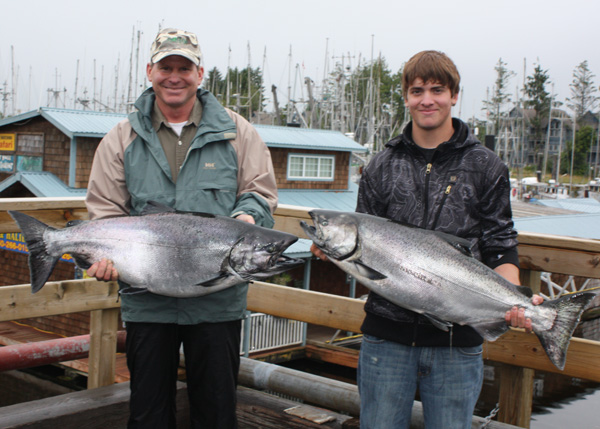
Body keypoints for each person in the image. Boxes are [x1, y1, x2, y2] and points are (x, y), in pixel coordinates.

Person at [311, 50, 541, 428]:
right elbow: (362, 246)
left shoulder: (487, 166)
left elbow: (500, 242)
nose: (427, 99)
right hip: (386, 340)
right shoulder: (380, 166)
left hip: (458, 341)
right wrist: (331, 250)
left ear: (454, 95)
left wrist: (516, 299)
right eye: (417, 90)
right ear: (406, 97)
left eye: (437, 89)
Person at [85, 28, 277, 429]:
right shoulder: (121, 138)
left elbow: (259, 192)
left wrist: (248, 219)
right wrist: (100, 255)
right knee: (149, 414)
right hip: (146, 302)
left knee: (217, 412)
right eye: (166, 67)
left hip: (218, 302)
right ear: (150, 72)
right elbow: (104, 212)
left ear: (200, 73)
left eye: (184, 68)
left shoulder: (239, 133)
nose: (175, 76)